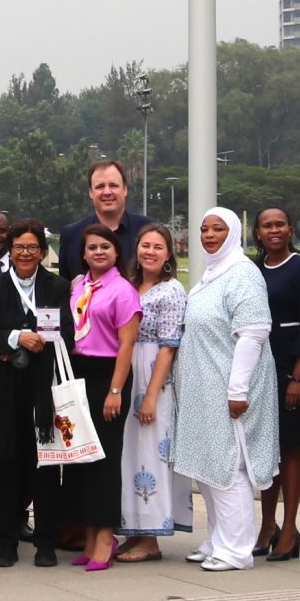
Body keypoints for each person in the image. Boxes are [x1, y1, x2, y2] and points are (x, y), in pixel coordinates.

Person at [169, 208, 280, 571]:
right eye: (204, 229)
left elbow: (253, 333)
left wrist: (238, 390)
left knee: (230, 466)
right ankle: (218, 540)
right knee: (209, 466)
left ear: (233, 233)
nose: (209, 235)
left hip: (228, 388)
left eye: (218, 229)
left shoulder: (243, 274)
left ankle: (236, 551)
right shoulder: (212, 274)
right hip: (204, 387)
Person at [0, 219, 73, 566]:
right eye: (19, 248)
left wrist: (44, 339)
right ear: (10, 252)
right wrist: (16, 337)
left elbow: (69, 335)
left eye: (32, 247)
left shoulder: (57, 286)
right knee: (9, 467)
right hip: (6, 390)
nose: (26, 253)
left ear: (43, 252)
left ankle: (46, 543)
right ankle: (6, 543)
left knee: (46, 468)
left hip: (44, 389)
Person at [64, 223, 142, 570]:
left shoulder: (123, 290)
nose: (98, 252)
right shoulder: (79, 286)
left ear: (115, 253)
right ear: (83, 254)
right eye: (92, 247)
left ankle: (106, 537)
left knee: (106, 460)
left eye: (105, 247)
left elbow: (127, 344)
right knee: (83, 460)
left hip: (108, 375)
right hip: (78, 373)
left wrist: (115, 390)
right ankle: (90, 533)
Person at [115, 224, 191, 560]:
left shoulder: (171, 290)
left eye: (158, 247)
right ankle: (136, 529)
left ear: (169, 254)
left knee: (150, 454)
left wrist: (150, 395)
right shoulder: (131, 285)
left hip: (151, 374)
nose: (150, 252)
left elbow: (168, 347)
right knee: (130, 455)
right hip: (127, 370)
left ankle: (151, 539)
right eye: (145, 246)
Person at [253, 205, 300, 562]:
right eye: (267, 226)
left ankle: (290, 527)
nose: (274, 230)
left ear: (291, 228)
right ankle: (267, 525)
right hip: (260, 368)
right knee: (265, 448)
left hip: (293, 369)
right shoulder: (250, 269)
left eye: (280, 224)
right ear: (258, 232)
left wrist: (297, 377)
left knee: (289, 446)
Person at [58, 160, 153, 278]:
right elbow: (64, 291)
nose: (107, 192)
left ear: (125, 190)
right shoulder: (71, 235)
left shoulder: (150, 231)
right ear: (91, 193)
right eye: (100, 186)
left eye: (113, 185)